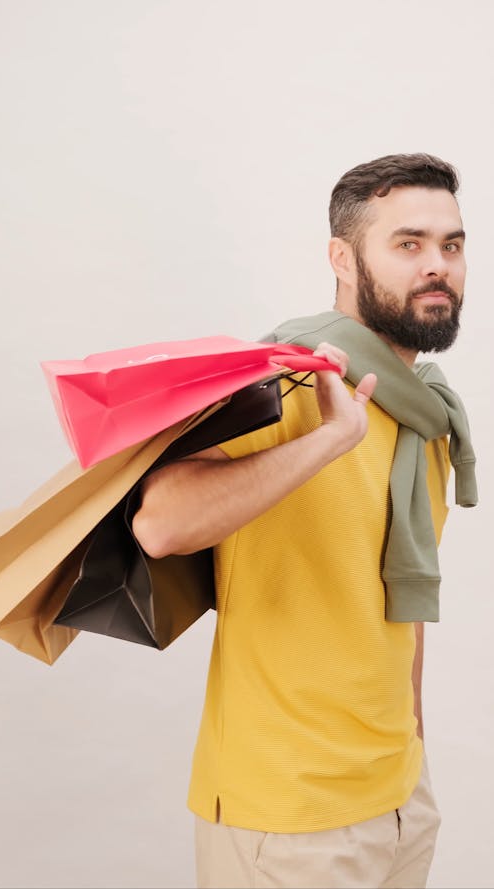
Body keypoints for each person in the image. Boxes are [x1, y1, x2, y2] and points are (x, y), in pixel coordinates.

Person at [132, 153, 477, 889]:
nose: (437, 266)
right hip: (288, 816)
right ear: (342, 259)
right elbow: (159, 521)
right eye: (408, 243)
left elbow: (399, 598)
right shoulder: (286, 378)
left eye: (451, 244)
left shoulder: (426, 413)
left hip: (397, 795)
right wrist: (326, 440)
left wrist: (412, 745)